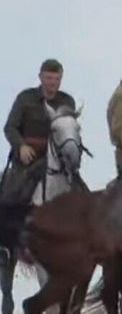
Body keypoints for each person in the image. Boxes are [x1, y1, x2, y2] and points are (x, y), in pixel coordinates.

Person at [1, 59, 77, 207]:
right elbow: (10, 127)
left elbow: (70, 130)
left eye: (56, 79)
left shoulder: (67, 101)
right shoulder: (25, 98)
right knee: (11, 199)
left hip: (59, 160)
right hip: (28, 160)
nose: (52, 83)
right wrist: (21, 146)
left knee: (83, 195)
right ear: (40, 77)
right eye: (49, 78)